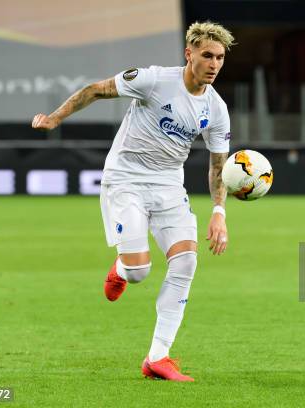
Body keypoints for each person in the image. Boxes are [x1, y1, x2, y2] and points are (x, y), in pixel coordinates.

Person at [31, 21, 235, 382]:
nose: (214, 64)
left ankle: (158, 357)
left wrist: (219, 212)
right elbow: (96, 90)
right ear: (189, 54)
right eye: (207, 55)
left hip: (170, 187)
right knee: (140, 271)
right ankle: (122, 270)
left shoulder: (216, 110)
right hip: (126, 180)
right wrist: (55, 118)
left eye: (219, 57)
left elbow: (218, 166)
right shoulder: (154, 80)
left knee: (186, 262)